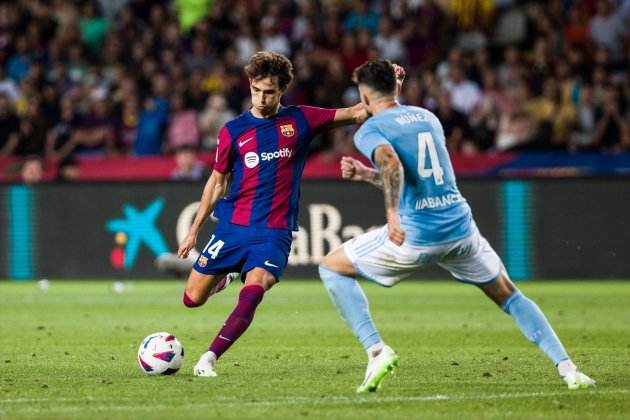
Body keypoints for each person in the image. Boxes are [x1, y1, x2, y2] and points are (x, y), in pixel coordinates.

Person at [318, 59, 595, 393]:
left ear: (363, 95)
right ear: (397, 87)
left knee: (332, 267)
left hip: (416, 234)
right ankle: (569, 370)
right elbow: (417, 178)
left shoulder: (370, 130)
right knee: (510, 295)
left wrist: (392, 213)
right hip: (460, 229)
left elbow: (391, 162)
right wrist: (367, 176)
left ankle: (376, 350)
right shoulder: (428, 118)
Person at [176, 51, 373, 377]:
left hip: (275, 232)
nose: (262, 98)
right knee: (192, 299)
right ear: (250, 86)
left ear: (282, 91)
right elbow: (216, 181)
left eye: (269, 92)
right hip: (232, 227)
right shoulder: (233, 130)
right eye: (256, 90)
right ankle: (226, 276)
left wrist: (387, 90)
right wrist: (194, 229)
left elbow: (356, 113)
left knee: (253, 291)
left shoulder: (301, 120)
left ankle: (209, 358)